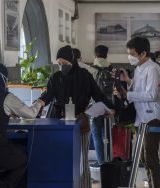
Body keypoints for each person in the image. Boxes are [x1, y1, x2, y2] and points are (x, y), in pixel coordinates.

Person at [39, 45, 114, 188]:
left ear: (72, 61)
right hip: (59, 123)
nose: (62, 67)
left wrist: (110, 107)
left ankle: (84, 185)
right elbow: (48, 94)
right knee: (61, 157)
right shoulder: (56, 77)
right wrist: (40, 102)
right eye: (59, 64)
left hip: (80, 121)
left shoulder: (84, 76)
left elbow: (97, 94)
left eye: (65, 63)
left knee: (82, 160)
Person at [114, 37, 160, 188]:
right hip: (140, 117)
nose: (130, 57)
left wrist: (126, 95)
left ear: (143, 53)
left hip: (152, 117)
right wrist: (128, 81)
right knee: (143, 157)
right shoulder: (138, 68)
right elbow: (138, 89)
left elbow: (152, 95)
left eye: (132, 54)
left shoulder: (153, 69)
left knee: (150, 157)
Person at [89, 45, 113, 169]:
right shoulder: (111, 68)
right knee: (107, 134)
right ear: (106, 54)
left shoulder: (92, 69)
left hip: (96, 106)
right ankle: (109, 159)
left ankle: (101, 161)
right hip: (110, 106)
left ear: (95, 54)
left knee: (96, 133)